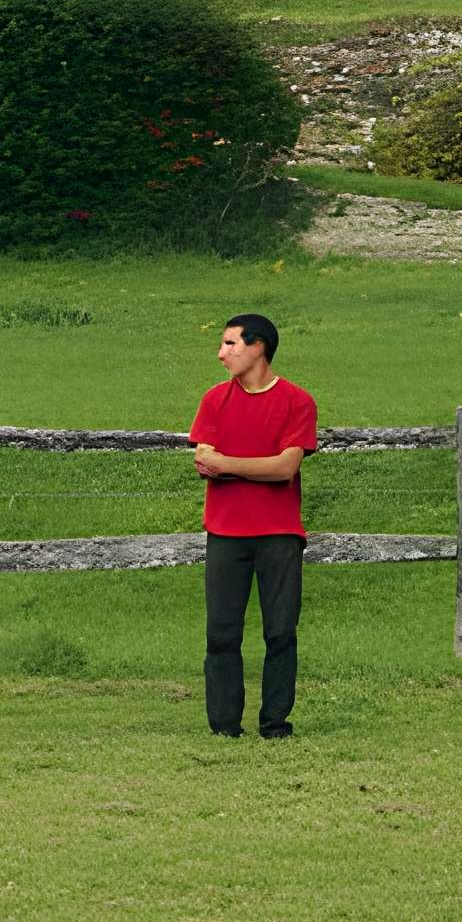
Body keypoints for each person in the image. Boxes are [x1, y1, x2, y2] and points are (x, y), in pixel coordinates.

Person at [191, 313, 319, 739]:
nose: (221, 353)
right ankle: (224, 725)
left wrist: (227, 464)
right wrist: (249, 466)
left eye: (231, 344)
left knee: (280, 631)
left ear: (258, 346)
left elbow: (285, 468)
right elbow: (202, 460)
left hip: (279, 534)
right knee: (222, 632)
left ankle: (275, 722)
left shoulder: (297, 401)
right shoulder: (214, 400)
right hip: (225, 533)